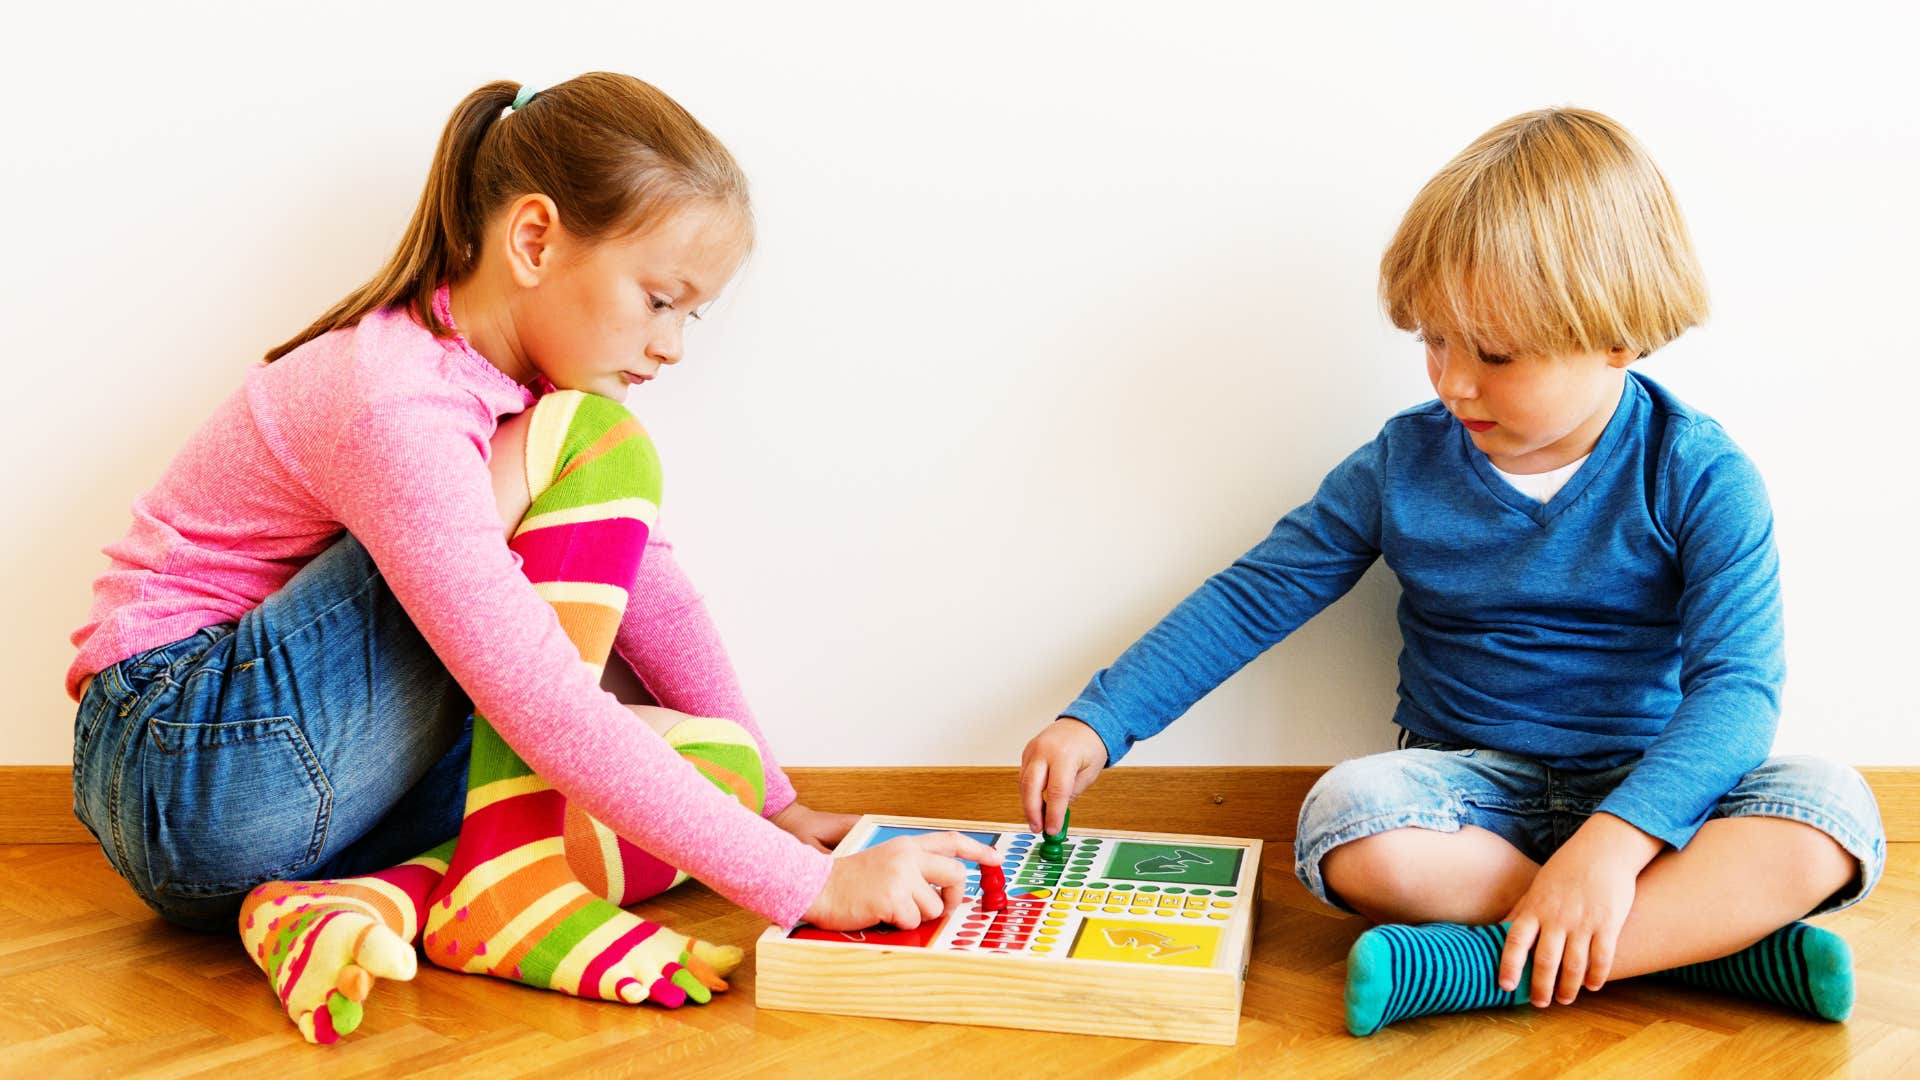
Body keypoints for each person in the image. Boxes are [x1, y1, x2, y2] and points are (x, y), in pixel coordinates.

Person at [68, 73, 997, 1044]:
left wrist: (779, 807)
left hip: (276, 815)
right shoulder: (399, 397)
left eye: (693, 316)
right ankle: (502, 898)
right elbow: (539, 697)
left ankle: (367, 903)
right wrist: (811, 887)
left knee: (704, 767)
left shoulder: (521, 403)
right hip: (189, 756)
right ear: (535, 239)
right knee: (597, 461)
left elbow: (654, 597)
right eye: (660, 300)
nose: (673, 347)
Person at [1017, 107, 1884, 1036]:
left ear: (1620, 337)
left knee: (1832, 811)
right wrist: (1100, 717)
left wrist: (1613, 845)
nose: (1452, 382)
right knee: (1345, 819)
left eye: (1496, 354)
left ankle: (1481, 967)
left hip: (1655, 797)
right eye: (1433, 339)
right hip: (1468, 797)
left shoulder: (1700, 473)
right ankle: (1713, 946)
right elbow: (1259, 592)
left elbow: (1738, 695)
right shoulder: (1402, 465)